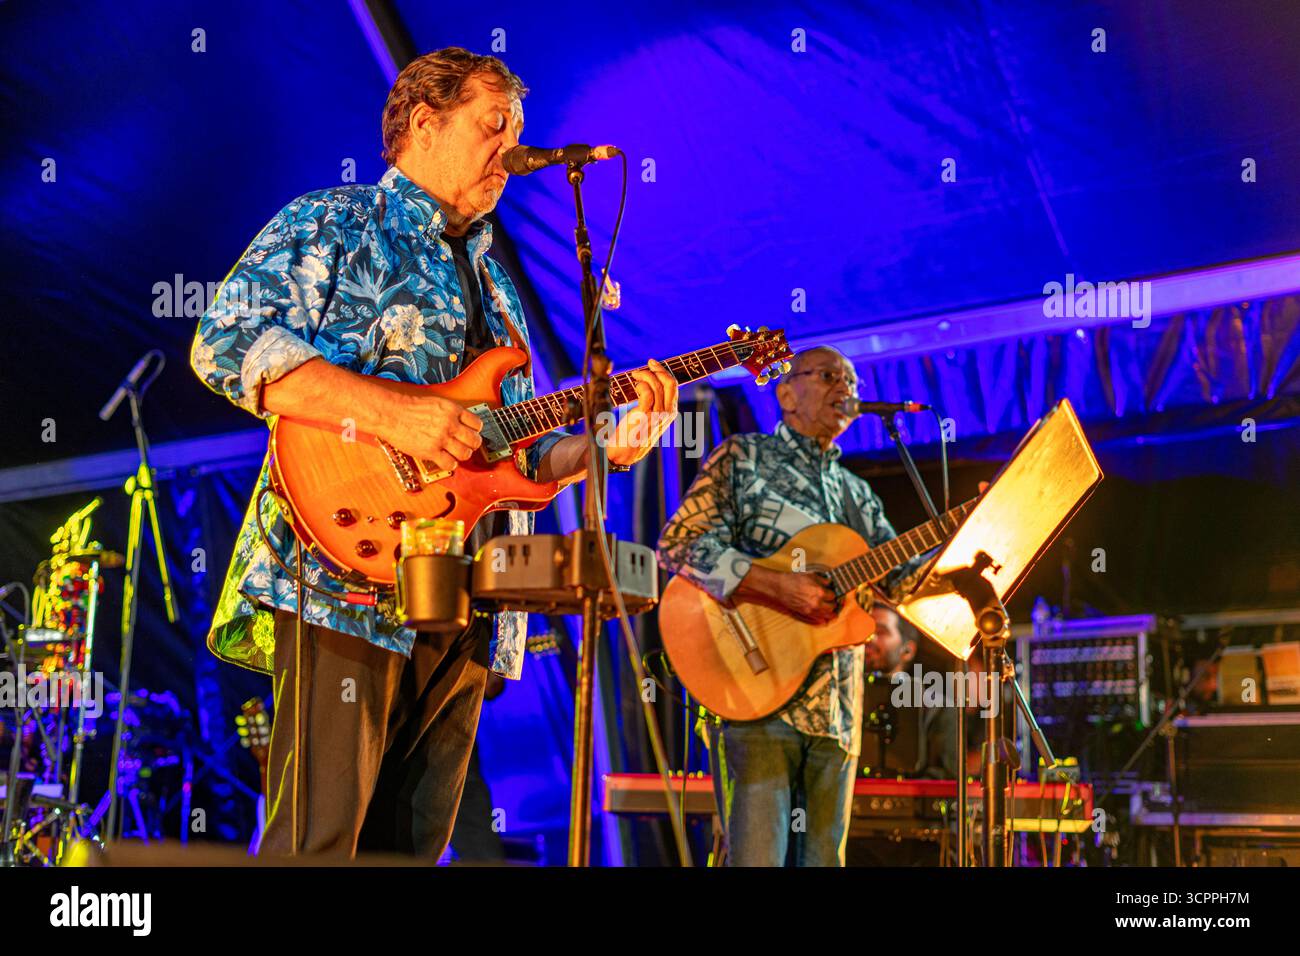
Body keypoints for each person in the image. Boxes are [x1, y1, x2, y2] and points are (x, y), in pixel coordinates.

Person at [191, 47, 677, 858]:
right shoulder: (332, 223)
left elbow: (512, 461)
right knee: (318, 843)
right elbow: (224, 341)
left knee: (408, 850)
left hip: (467, 600)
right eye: (495, 126)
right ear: (425, 122)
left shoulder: (497, 284)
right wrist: (399, 416)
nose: (512, 151)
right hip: (345, 567)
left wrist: (603, 451)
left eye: (519, 131)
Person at [658, 346, 919, 866]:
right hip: (755, 692)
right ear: (785, 392)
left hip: (839, 714)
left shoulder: (857, 495)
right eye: (828, 376)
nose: (845, 388)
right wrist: (776, 587)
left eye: (851, 381)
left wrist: (972, 536)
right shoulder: (742, 459)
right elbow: (679, 544)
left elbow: (906, 584)